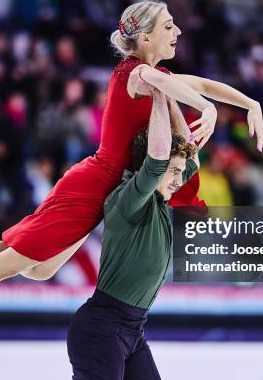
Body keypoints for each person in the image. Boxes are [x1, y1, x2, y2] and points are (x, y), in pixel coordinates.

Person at [0, 0, 263, 366]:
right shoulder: (133, 72)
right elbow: (177, 86)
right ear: (145, 37)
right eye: (168, 25)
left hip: (103, 189)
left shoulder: (156, 77)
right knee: (15, 262)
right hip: (92, 186)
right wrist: (207, 108)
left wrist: (250, 104)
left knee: (40, 269)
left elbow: (201, 83)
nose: (178, 30)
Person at [68, 88, 198, 379]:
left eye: (179, 172)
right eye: (174, 171)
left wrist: (170, 95)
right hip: (100, 332)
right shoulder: (128, 198)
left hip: (132, 333)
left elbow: (192, 156)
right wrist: (159, 92)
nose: (180, 179)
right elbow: (157, 158)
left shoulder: (160, 199)